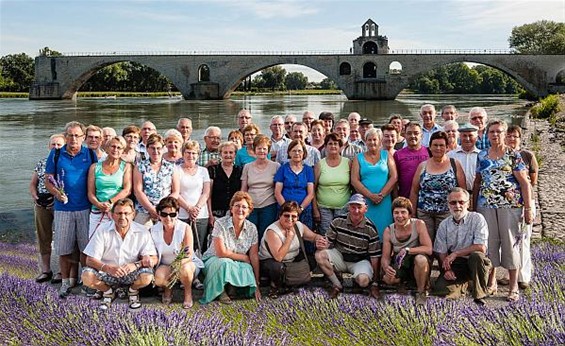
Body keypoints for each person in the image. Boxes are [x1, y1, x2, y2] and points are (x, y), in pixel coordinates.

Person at [473, 119, 533, 302]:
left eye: (499, 132)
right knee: (490, 244)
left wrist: (528, 208)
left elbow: (525, 183)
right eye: (492, 132)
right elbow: (478, 182)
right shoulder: (482, 155)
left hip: (510, 206)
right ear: (487, 134)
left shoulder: (514, 155)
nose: (495, 135)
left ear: (504, 134)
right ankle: (492, 282)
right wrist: (474, 205)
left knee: (510, 244)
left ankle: (513, 285)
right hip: (486, 206)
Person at [45, 121, 98, 298]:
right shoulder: (56, 153)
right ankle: (66, 282)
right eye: (70, 135)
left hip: (85, 208)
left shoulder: (90, 154)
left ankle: (86, 282)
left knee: (86, 249)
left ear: (83, 137)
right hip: (63, 209)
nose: (73, 138)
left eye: (77, 135)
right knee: (63, 248)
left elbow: (97, 179)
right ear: (65, 136)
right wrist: (56, 193)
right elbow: (48, 180)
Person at [81, 198, 157, 310]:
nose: (122, 217)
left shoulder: (142, 231)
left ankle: (132, 291)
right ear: (112, 215)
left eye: (126, 213)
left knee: (147, 276)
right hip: (107, 273)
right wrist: (108, 269)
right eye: (119, 213)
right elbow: (89, 260)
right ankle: (108, 291)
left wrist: (136, 265)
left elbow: (153, 258)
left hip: (131, 273)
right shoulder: (103, 229)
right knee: (86, 276)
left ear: (133, 214)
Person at [315, 194, 381, 299]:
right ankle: (337, 284)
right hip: (340, 256)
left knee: (363, 281)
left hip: (359, 260)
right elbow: (329, 242)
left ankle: (352, 279)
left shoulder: (370, 228)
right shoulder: (337, 221)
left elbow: (375, 256)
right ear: (348, 207)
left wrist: (375, 282)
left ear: (365, 209)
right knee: (319, 255)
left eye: (359, 207)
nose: (356, 211)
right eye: (353, 207)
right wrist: (322, 244)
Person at [200, 192, 261, 304]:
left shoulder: (252, 228)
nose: (240, 209)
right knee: (225, 263)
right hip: (214, 260)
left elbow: (254, 256)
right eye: (237, 205)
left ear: (249, 211)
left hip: (235, 262)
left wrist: (256, 284)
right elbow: (221, 253)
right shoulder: (220, 223)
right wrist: (243, 257)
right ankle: (220, 291)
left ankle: (233, 286)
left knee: (247, 268)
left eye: (244, 207)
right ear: (231, 208)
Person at [433, 188, 491, 305]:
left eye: (461, 202)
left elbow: (481, 247)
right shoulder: (444, 225)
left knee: (477, 256)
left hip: (474, 262)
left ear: (468, 203)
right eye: (453, 202)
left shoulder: (477, 219)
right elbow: (442, 251)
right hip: (456, 264)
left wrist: (456, 253)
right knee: (441, 291)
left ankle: (479, 294)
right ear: (448, 204)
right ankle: (462, 286)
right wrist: (447, 270)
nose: (457, 206)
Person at [259, 201, 323, 297]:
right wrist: (289, 238)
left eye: (293, 216)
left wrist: (320, 241)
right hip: (271, 261)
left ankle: (292, 281)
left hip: (292, 259)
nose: (290, 219)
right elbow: (278, 257)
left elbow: (314, 237)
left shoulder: (299, 226)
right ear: (280, 216)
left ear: (297, 218)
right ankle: (275, 285)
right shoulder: (272, 231)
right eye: (286, 215)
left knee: (312, 259)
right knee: (276, 268)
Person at [410, 131, 466, 241]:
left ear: (447, 147)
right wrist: (412, 214)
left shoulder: (454, 164)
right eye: (435, 145)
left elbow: (462, 191)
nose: (438, 148)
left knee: (446, 244)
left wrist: (463, 211)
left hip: (448, 213)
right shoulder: (422, 166)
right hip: (424, 213)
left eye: (441, 145)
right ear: (430, 147)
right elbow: (414, 191)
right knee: (427, 244)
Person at [151, 197, 204, 308]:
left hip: (186, 263)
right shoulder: (153, 230)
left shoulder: (185, 228)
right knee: (159, 279)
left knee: (184, 269)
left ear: (177, 214)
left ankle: (188, 294)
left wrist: (177, 264)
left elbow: (188, 254)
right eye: (164, 214)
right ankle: (168, 289)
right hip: (165, 264)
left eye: (172, 215)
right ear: (159, 214)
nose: (168, 218)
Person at [505, 125, 539, 289]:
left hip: (524, 202)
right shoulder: (502, 155)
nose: (512, 139)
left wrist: (527, 206)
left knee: (524, 239)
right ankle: (509, 273)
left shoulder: (527, 155)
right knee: (509, 241)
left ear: (520, 138)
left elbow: (532, 181)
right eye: (509, 136)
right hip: (507, 204)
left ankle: (523, 276)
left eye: (515, 136)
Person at [381, 197, 432, 305]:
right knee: (388, 279)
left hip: (416, 259)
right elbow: (385, 257)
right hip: (400, 262)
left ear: (409, 214)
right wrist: (386, 267)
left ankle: (421, 291)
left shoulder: (418, 224)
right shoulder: (389, 230)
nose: (400, 216)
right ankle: (403, 282)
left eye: (403, 212)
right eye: (396, 213)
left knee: (421, 259)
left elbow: (428, 249)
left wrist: (408, 250)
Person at [30, 133, 65, 284]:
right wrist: (35, 196)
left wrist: (56, 197)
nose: (56, 147)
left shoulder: (65, 163)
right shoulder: (41, 162)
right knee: (44, 236)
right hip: (41, 204)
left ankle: (61, 271)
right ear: (48, 146)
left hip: (58, 203)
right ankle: (45, 270)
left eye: (59, 145)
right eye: (53, 144)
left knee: (62, 237)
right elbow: (33, 183)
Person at [351, 128, 398, 240]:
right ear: (365, 141)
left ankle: (385, 253)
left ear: (380, 140)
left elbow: (394, 177)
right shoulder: (358, 158)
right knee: (366, 230)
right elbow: (354, 180)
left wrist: (381, 195)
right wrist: (370, 195)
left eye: (375, 139)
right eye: (369, 140)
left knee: (385, 229)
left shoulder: (386, 155)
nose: (372, 142)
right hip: (366, 201)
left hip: (384, 200)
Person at [87, 136, 132, 239]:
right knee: (94, 243)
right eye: (113, 146)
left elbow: (127, 190)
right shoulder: (95, 167)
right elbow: (90, 193)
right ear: (107, 148)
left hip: (118, 212)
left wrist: (110, 203)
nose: (115, 150)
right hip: (98, 212)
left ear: (122, 150)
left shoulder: (126, 167)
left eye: (119, 148)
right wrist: (99, 204)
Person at [133, 133, 180, 228]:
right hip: (144, 211)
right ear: (147, 149)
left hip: (166, 212)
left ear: (163, 149)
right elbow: (138, 191)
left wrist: (163, 209)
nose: (156, 151)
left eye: (158, 148)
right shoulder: (140, 166)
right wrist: (151, 209)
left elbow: (175, 191)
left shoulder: (171, 167)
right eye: (152, 148)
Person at [242, 135, 280, 239]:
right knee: (250, 233)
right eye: (259, 148)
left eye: (264, 148)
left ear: (268, 150)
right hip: (251, 206)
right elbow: (244, 189)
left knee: (265, 232)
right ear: (254, 150)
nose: (262, 151)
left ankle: (264, 254)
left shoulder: (276, 166)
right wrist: (244, 205)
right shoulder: (247, 167)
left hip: (269, 205)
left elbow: (278, 188)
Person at [176, 140, 211, 253]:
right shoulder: (176, 170)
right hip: (182, 214)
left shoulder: (203, 171)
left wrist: (196, 208)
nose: (191, 156)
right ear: (183, 153)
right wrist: (188, 208)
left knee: (199, 246)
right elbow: (175, 192)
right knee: (183, 247)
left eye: (194, 153)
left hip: (201, 214)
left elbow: (206, 192)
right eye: (188, 152)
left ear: (198, 155)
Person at [313, 133, 351, 235]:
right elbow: (313, 188)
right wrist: (315, 209)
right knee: (326, 235)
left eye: (336, 143)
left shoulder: (348, 163)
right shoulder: (320, 164)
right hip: (323, 208)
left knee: (342, 234)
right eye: (330, 144)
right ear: (325, 146)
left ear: (340, 146)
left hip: (343, 207)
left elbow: (353, 186)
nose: (333, 146)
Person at [275, 139, 316, 230]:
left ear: (303, 153)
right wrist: (287, 209)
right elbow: (277, 192)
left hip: (304, 210)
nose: (297, 153)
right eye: (293, 151)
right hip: (285, 211)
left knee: (304, 236)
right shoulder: (283, 169)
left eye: (299, 151)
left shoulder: (308, 170)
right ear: (289, 153)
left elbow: (311, 194)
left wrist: (300, 209)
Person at [208, 141, 242, 223]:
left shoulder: (240, 170)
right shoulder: (213, 170)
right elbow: (208, 195)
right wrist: (210, 215)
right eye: (225, 152)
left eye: (231, 152)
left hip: (235, 213)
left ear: (235, 154)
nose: (228, 155)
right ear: (220, 154)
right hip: (216, 213)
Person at [394, 122, 429, 198]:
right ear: (405, 135)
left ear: (421, 136)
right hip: (405, 197)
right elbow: (394, 181)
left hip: (426, 199)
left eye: (416, 133)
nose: (413, 136)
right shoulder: (398, 154)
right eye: (409, 133)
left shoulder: (429, 152)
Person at [448, 123, 480, 195]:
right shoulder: (450, 155)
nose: (467, 139)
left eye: (470, 135)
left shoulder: (482, 156)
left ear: (476, 138)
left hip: (477, 194)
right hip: (457, 196)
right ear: (460, 137)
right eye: (464, 136)